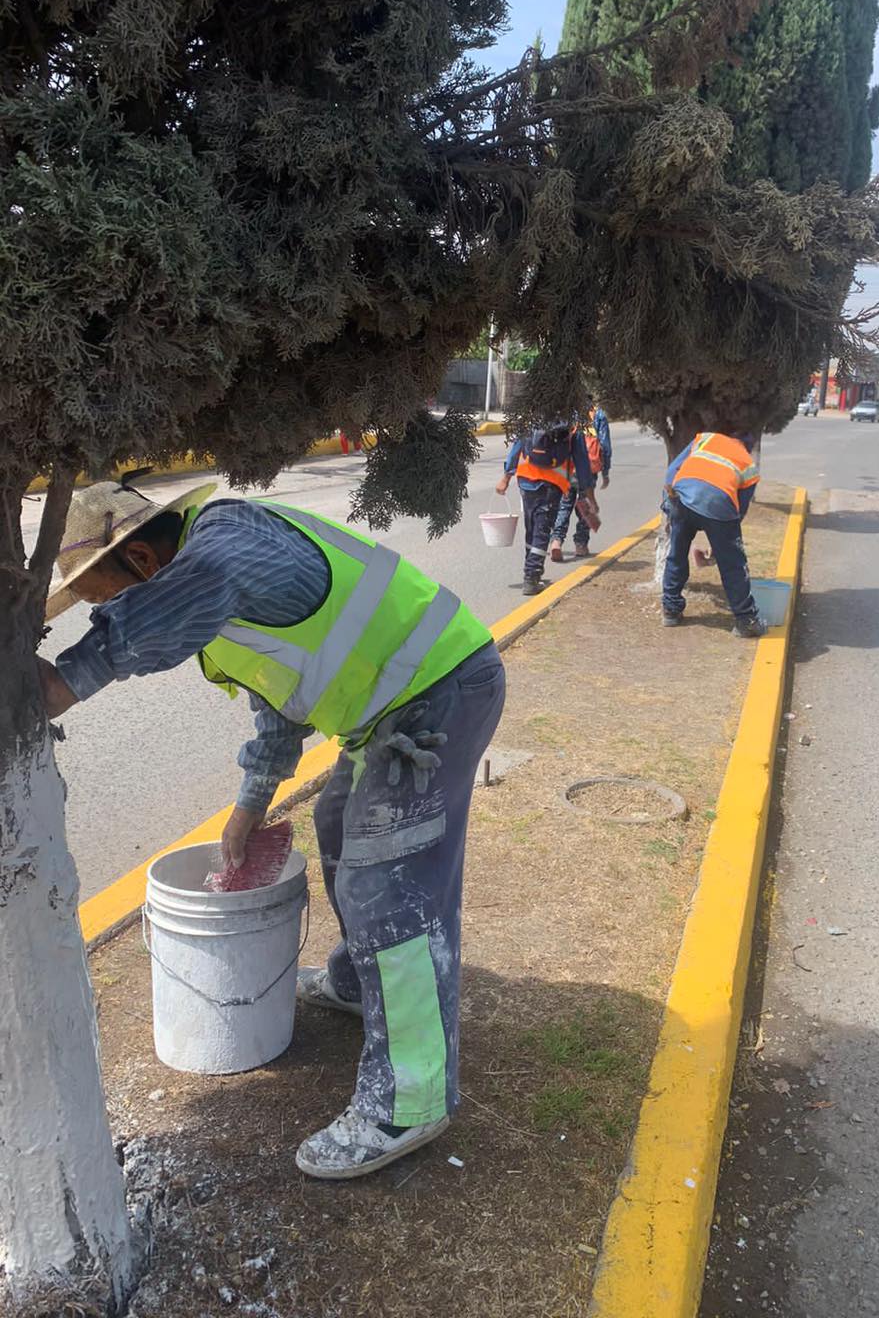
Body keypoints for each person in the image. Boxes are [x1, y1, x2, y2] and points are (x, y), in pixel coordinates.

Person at [37, 474, 505, 1179]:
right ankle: (355, 982)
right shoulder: (218, 594)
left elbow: (197, 588)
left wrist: (69, 677)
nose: (104, 608)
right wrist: (249, 806)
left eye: (105, 594)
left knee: (391, 889)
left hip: (439, 690)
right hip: (395, 708)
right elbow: (282, 702)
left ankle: (408, 1101)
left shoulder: (225, 545)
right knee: (341, 822)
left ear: (139, 561)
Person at [660, 429, 767, 636]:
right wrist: (722, 547)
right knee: (733, 565)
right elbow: (738, 513)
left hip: (681, 499)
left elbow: (673, 469)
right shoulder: (748, 465)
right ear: (749, 446)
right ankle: (746, 619)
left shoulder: (706, 438)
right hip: (719, 507)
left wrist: (668, 507)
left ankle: (670, 610)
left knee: (677, 554)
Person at [494, 424, 597, 596]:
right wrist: (589, 494)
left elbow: (517, 446)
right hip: (552, 484)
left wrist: (506, 477)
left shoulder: (533, 414)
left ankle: (530, 569)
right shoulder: (573, 423)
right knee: (542, 533)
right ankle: (532, 577)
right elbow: (582, 463)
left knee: (532, 529)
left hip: (526, 481)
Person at [550, 396, 612, 563]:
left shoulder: (568, 414)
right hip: (588, 469)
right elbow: (605, 446)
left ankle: (556, 540)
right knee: (585, 505)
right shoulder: (598, 415)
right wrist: (605, 472)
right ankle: (580, 544)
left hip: (567, 468)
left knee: (564, 505)